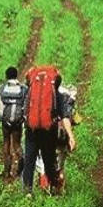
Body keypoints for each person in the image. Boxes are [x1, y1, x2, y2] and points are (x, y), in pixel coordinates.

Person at [21, 64, 76, 195]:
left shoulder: (30, 91)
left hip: (31, 130)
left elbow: (24, 112)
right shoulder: (58, 95)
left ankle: (27, 192)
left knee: (29, 160)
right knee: (49, 160)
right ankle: (54, 186)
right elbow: (65, 117)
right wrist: (71, 136)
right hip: (48, 132)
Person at [0, 65, 26, 180]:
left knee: (6, 143)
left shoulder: (2, 88)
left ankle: (7, 172)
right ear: (16, 75)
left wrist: (2, 119)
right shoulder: (23, 89)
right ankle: (21, 163)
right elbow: (25, 105)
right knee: (16, 143)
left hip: (6, 120)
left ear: (6, 76)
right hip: (17, 120)